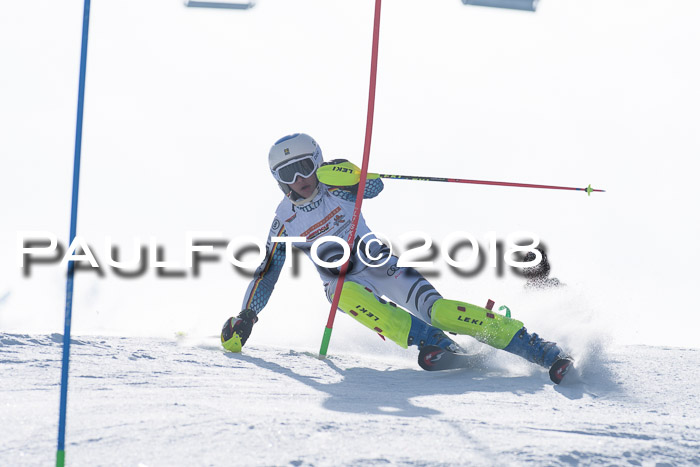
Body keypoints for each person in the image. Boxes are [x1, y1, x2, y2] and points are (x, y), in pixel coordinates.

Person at [221, 133, 573, 384]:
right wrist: (247, 315)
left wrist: (351, 176)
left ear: (317, 162)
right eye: (287, 174)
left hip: (381, 264)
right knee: (341, 292)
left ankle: (538, 349)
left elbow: (374, 189)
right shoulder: (285, 220)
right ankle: (433, 341)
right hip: (343, 282)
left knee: (443, 312)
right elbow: (267, 271)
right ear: (278, 180)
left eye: (304, 167)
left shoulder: (335, 184)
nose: (299, 179)